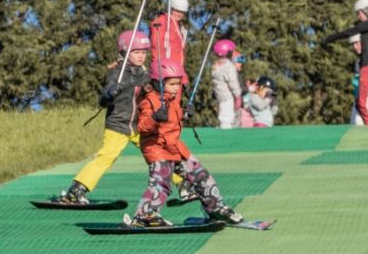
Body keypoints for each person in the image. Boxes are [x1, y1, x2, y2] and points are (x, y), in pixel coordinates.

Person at [130, 59, 244, 228]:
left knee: (200, 175)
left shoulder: (172, 100)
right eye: (172, 84)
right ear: (158, 83)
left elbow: (172, 121)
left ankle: (215, 208)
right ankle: (145, 215)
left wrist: (184, 114)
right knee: (161, 182)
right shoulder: (149, 101)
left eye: (178, 83)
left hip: (176, 147)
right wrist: (155, 118)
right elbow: (142, 127)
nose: (177, 88)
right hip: (158, 148)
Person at [52, 31, 153, 204]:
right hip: (118, 124)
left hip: (139, 125)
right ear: (125, 52)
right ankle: (77, 190)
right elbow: (103, 100)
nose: (141, 56)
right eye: (136, 52)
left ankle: (183, 183)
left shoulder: (144, 74)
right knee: (107, 156)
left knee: (156, 152)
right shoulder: (117, 73)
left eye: (144, 52)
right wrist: (110, 93)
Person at [321, 0, 368, 126]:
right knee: (363, 104)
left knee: (364, 105)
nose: (358, 16)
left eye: (359, 13)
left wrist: (329, 38)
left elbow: (350, 31)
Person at [149, 0, 189, 84]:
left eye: (182, 12)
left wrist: (183, 76)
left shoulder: (178, 27)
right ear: (170, 8)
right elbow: (156, 47)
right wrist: (158, 71)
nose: (179, 14)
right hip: (165, 72)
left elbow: (179, 54)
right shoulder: (161, 22)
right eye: (177, 11)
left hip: (177, 73)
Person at [211, 39, 242, 129]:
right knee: (227, 117)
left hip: (220, 95)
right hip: (227, 95)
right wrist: (238, 96)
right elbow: (233, 82)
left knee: (222, 114)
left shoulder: (215, 66)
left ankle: (223, 127)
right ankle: (225, 134)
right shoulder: (228, 66)